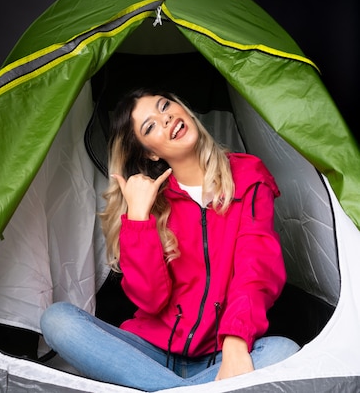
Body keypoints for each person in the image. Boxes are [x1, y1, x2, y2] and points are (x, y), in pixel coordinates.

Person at [40, 88, 300, 391]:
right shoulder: (155, 203)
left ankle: (159, 388)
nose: (166, 119)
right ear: (151, 153)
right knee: (57, 320)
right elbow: (150, 301)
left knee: (284, 352)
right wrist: (138, 218)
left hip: (219, 354)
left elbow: (255, 268)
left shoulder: (247, 175)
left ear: (183, 109)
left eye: (165, 106)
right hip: (148, 353)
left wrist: (235, 343)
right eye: (150, 126)